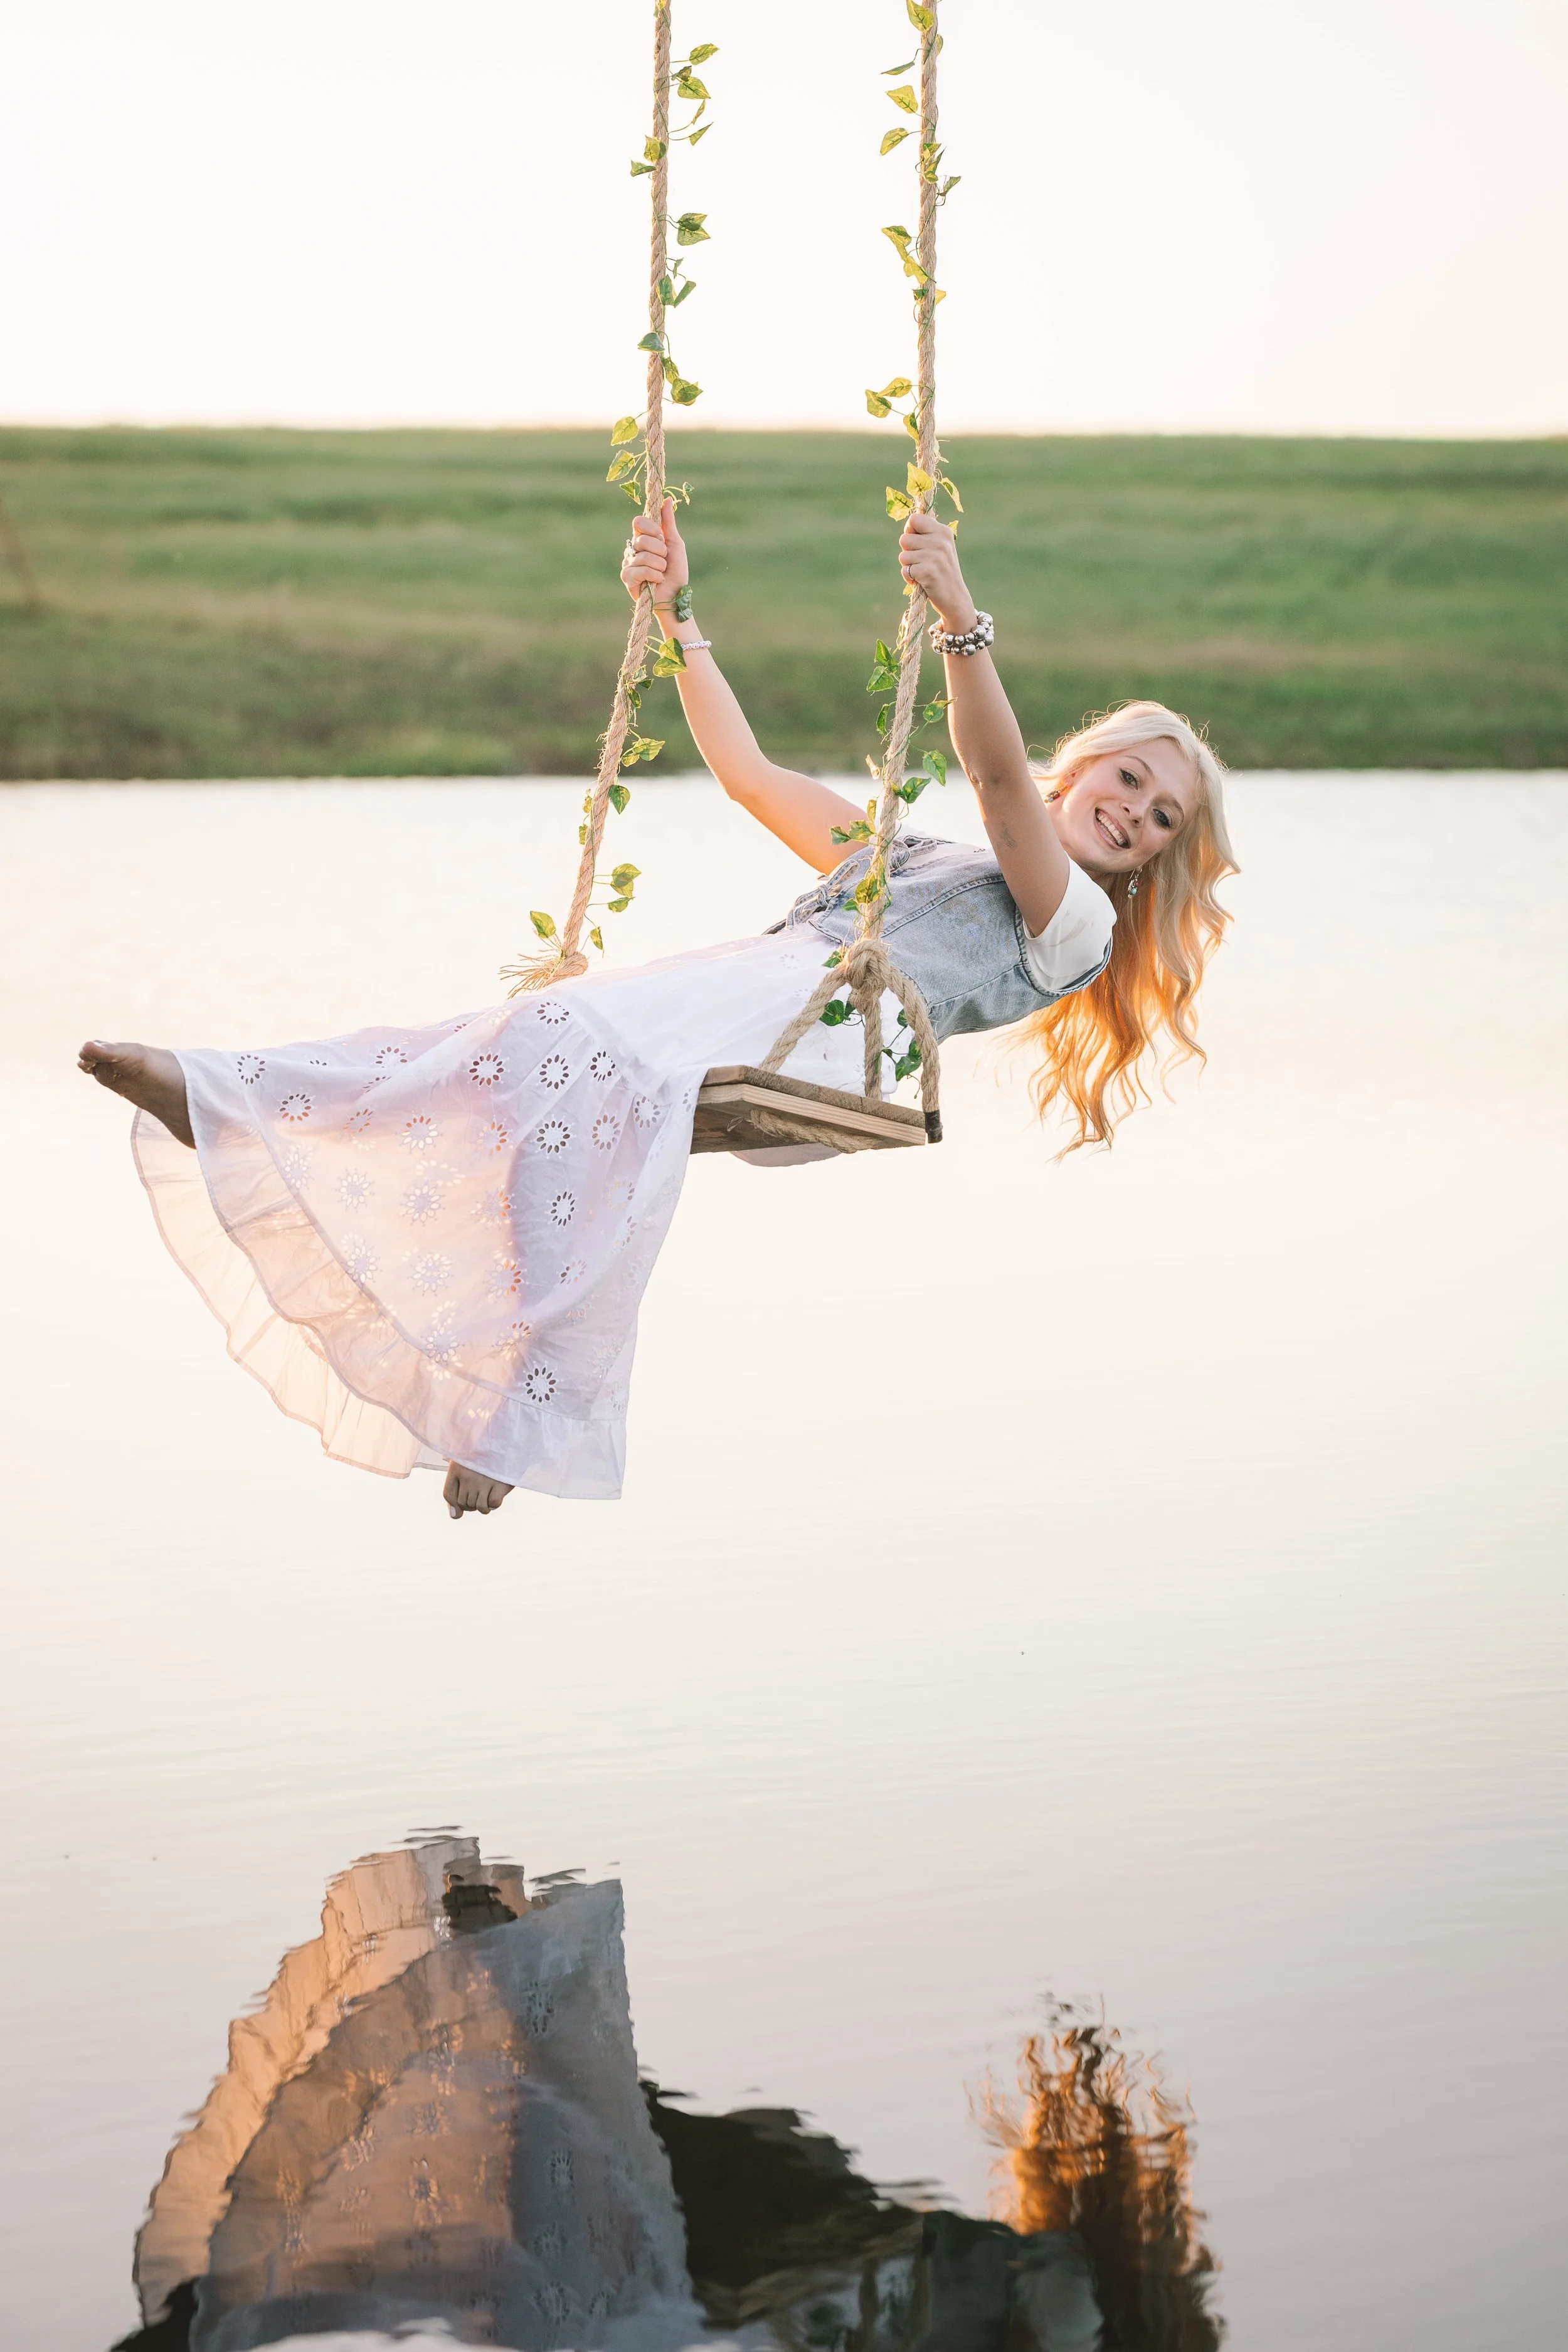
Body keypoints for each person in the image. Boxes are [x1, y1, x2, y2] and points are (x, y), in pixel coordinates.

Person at [79, 503, 1236, 1518]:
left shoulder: (1077, 925)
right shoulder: (918, 857)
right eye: (1129, 778)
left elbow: (994, 779)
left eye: (1164, 816)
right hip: (749, 990)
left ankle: (517, 1397)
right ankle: (242, 1103)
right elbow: (748, 774)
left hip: (822, 1044)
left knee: (572, 1050)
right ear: (1084, 770)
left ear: (1157, 859)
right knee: (513, 1045)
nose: (1137, 811)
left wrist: (961, 618)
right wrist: (678, 615)